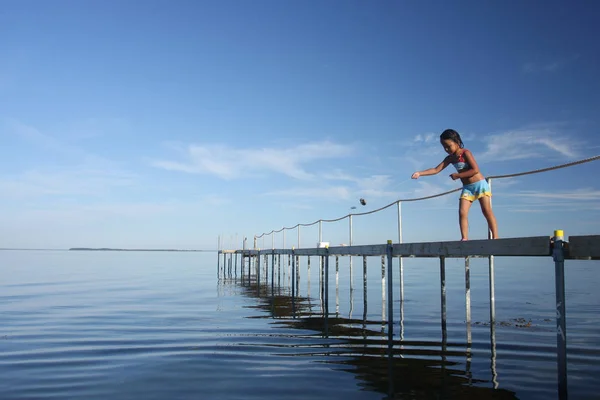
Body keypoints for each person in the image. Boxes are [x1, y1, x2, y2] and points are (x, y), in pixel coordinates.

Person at [411, 129, 498, 241]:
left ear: (457, 141)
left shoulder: (465, 153)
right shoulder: (450, 158)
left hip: (479, 184)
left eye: (449, 146)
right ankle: (464, 238)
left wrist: (458, 175)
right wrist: (420, 173)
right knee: (462, 212)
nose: (447, 149)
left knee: (486, 211)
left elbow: (475, 170)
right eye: (444, 147)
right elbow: (436, 169)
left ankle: (496, 237)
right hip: (468, 188)